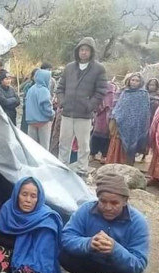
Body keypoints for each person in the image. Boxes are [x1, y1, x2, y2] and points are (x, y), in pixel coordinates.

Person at [60, 173, 150, 273]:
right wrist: (88, 243)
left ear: (125, 201)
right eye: (103, 201)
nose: (107, 207)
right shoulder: (86, 210)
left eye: (114, 203)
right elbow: (66, 236)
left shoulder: (138, 222)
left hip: (119, 267)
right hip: (90, 259)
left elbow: (139, 263)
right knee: (62, 252)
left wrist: (115, 249)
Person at [55, 37, 108, 177]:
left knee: (83, 145)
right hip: (67, 112)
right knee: (64, 142)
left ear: (91, 52)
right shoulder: (69, 68)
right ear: (77, 51)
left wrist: (90, 106)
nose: (84, 53)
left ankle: (82, 169)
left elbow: (101, 91)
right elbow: (60, 88)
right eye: (82, 50)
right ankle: (62, 166)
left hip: (84, 114)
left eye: (87, 50)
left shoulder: (98, 69)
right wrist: (62, 102)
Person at [105, 73, 150, 166]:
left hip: (134, 126)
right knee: (117, 144)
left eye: (137, 81)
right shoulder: (125, 92)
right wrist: (115, 117)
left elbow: (143, 112)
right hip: (119, 124)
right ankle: (113, 164)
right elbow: (119, 107)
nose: (134, 82)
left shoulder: (143, 94)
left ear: (140, 82)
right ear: (129, 81)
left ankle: (126, 166)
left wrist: (133, 123)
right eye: (132, 80)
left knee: (130, 148)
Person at [25, 69, 54, 149]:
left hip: (31, 122)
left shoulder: (31, 89)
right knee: (44, 147)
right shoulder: (44, 90)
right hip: (43, 122)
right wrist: (52, 114)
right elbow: (46, 107)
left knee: (32, 147)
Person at [90, 81, 116, 162]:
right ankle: (92, 153)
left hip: (108, 118)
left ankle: (104, 155)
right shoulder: (99, 94)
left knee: (106, 138)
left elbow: (110, 105)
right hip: (99, 117)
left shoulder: (112, 94)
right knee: (95, 136)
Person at [20, 68, 39, 133]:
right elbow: (25, 98)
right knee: (25, 129)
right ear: (32, 76)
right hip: (28, 110)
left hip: (37, 113)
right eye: (35, 76)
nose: (36, 78)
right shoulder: (28, 86)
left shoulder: (42, 87)